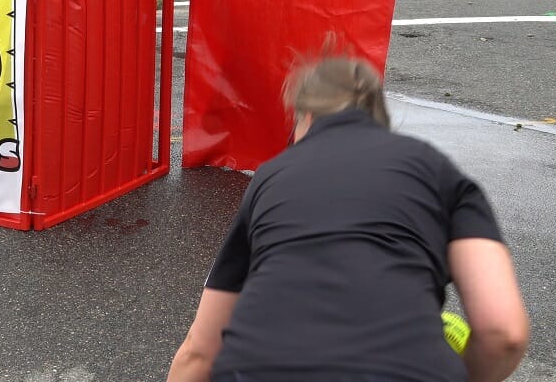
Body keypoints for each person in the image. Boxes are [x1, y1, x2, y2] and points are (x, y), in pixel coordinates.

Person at [167, 52, 528, 382]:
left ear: (304, 116)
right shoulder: (437, 171)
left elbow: (200, 351)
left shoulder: (271, 176)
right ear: (378, 119)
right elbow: (503, 332)